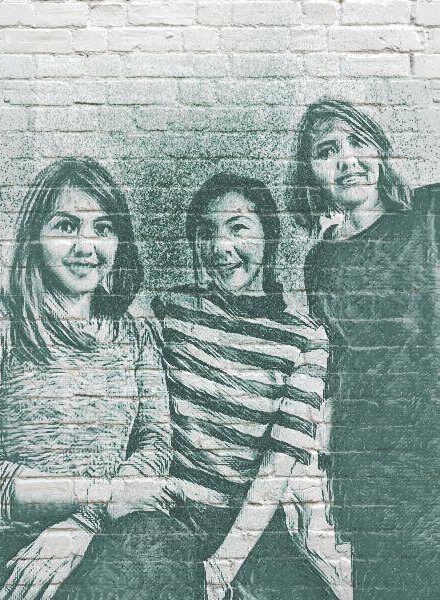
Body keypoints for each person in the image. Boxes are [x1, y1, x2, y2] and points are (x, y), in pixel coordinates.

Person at [0, 157, 182, 599]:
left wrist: (85, 521)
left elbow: (155, 443)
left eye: (103, 228)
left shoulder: (136, 332)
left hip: (107, 536)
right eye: (67, 226)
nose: (86, 246)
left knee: (165, 542)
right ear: (35, 236)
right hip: (15, 548)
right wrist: (94, 494)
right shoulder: (2, 321)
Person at [153, 173, 352, 600]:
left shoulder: (305, 337)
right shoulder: (172, 310)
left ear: (268, 236)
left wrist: (223, 567)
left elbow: (278, 464)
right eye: (206, 232)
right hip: (172, 518)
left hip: (253, 528)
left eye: (238, 227)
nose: (220, 247)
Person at [292, 98, 439, 600]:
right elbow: (334, 371)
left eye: (358, 142)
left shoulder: (428, 212)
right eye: (327, 150)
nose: (347, 160)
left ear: (380, 150)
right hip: (369, 467)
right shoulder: (320, 262)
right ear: (311, 173)